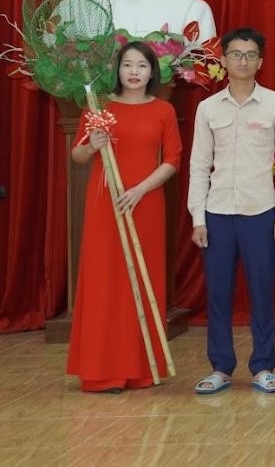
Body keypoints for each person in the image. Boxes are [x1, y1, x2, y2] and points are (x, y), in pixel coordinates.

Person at [68, 41, 181, 392]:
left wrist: (139, 190)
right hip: (106, 204)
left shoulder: (163, 109)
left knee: (144, 280)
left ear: (152, 72)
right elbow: (78, 156)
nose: (134, 72)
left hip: (144, 202)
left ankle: (144, 367)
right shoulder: (98, 108)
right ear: (117, 70)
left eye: (142, 66)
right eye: (128, 64)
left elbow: (172, 161)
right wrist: (93, 145)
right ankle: (102, 371)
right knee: (105, 281)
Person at [188, 27, 275, 395]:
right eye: (236, 54)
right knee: (218, 293)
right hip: (217, 214)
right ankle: (220, 367)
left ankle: (263, 365)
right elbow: (199, 165)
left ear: (260, 61)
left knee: (262, 292)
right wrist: (198, 218)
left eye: (250, 54)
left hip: (261, 210)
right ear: (225, 60)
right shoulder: (207, 108)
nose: (243, 60)